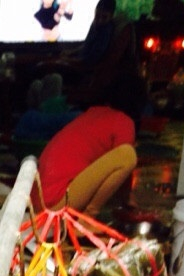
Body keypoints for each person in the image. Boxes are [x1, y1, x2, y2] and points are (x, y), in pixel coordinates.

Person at [33, 71, 148, 217]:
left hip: (38, 202)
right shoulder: (123, 121)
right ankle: (88, 216)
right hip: (56, 201)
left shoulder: (92, 113)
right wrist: (128, 203)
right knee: (128, 154)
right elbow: (124, 174)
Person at [56, 0, 139, 102]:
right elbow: (86, 45)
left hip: (85, 70)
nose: (99, 20)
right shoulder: (95, 25)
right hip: (79, 62)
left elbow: (91, 60)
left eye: (104, 17)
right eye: (97, 16)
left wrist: (68, 61)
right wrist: (71, 53)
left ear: (111, 16)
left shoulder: (106, 31)